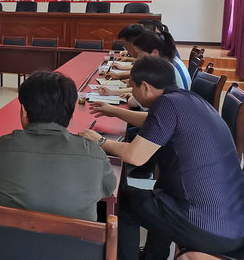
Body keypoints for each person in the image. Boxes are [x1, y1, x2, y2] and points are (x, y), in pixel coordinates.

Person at [80, 56, 244, 260]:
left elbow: (135, 156)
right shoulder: (185, 99)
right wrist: (113, 111)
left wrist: (99, 141)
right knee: (159, 199)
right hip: (232, 222)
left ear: (145, 87)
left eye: (133, 86)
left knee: (122, 203)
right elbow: (153, 121)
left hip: (205, 225)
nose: (131, 91)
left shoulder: (166, 104)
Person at [0, 71, 116, 222]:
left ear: (24, 111)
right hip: (73, 238)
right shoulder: (94, 153)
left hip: (6, 237)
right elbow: (108, 189)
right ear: (70, 113)